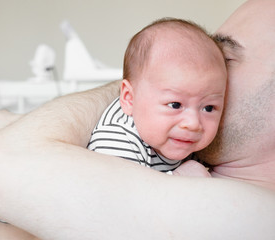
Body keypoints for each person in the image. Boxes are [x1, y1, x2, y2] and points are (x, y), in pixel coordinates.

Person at [0, 0, 275, 239]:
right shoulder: (145, 144)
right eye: (176, 99)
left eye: (226, 59)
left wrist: (149, 91)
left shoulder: (254, 215)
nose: (206, 75)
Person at [88, 18, 226, 176]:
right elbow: (125, 197)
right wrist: (182, 177)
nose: (193, 123)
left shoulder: (182, 139)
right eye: (175, 105)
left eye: (208, 108)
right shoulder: (116, 139)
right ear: (129, 99)